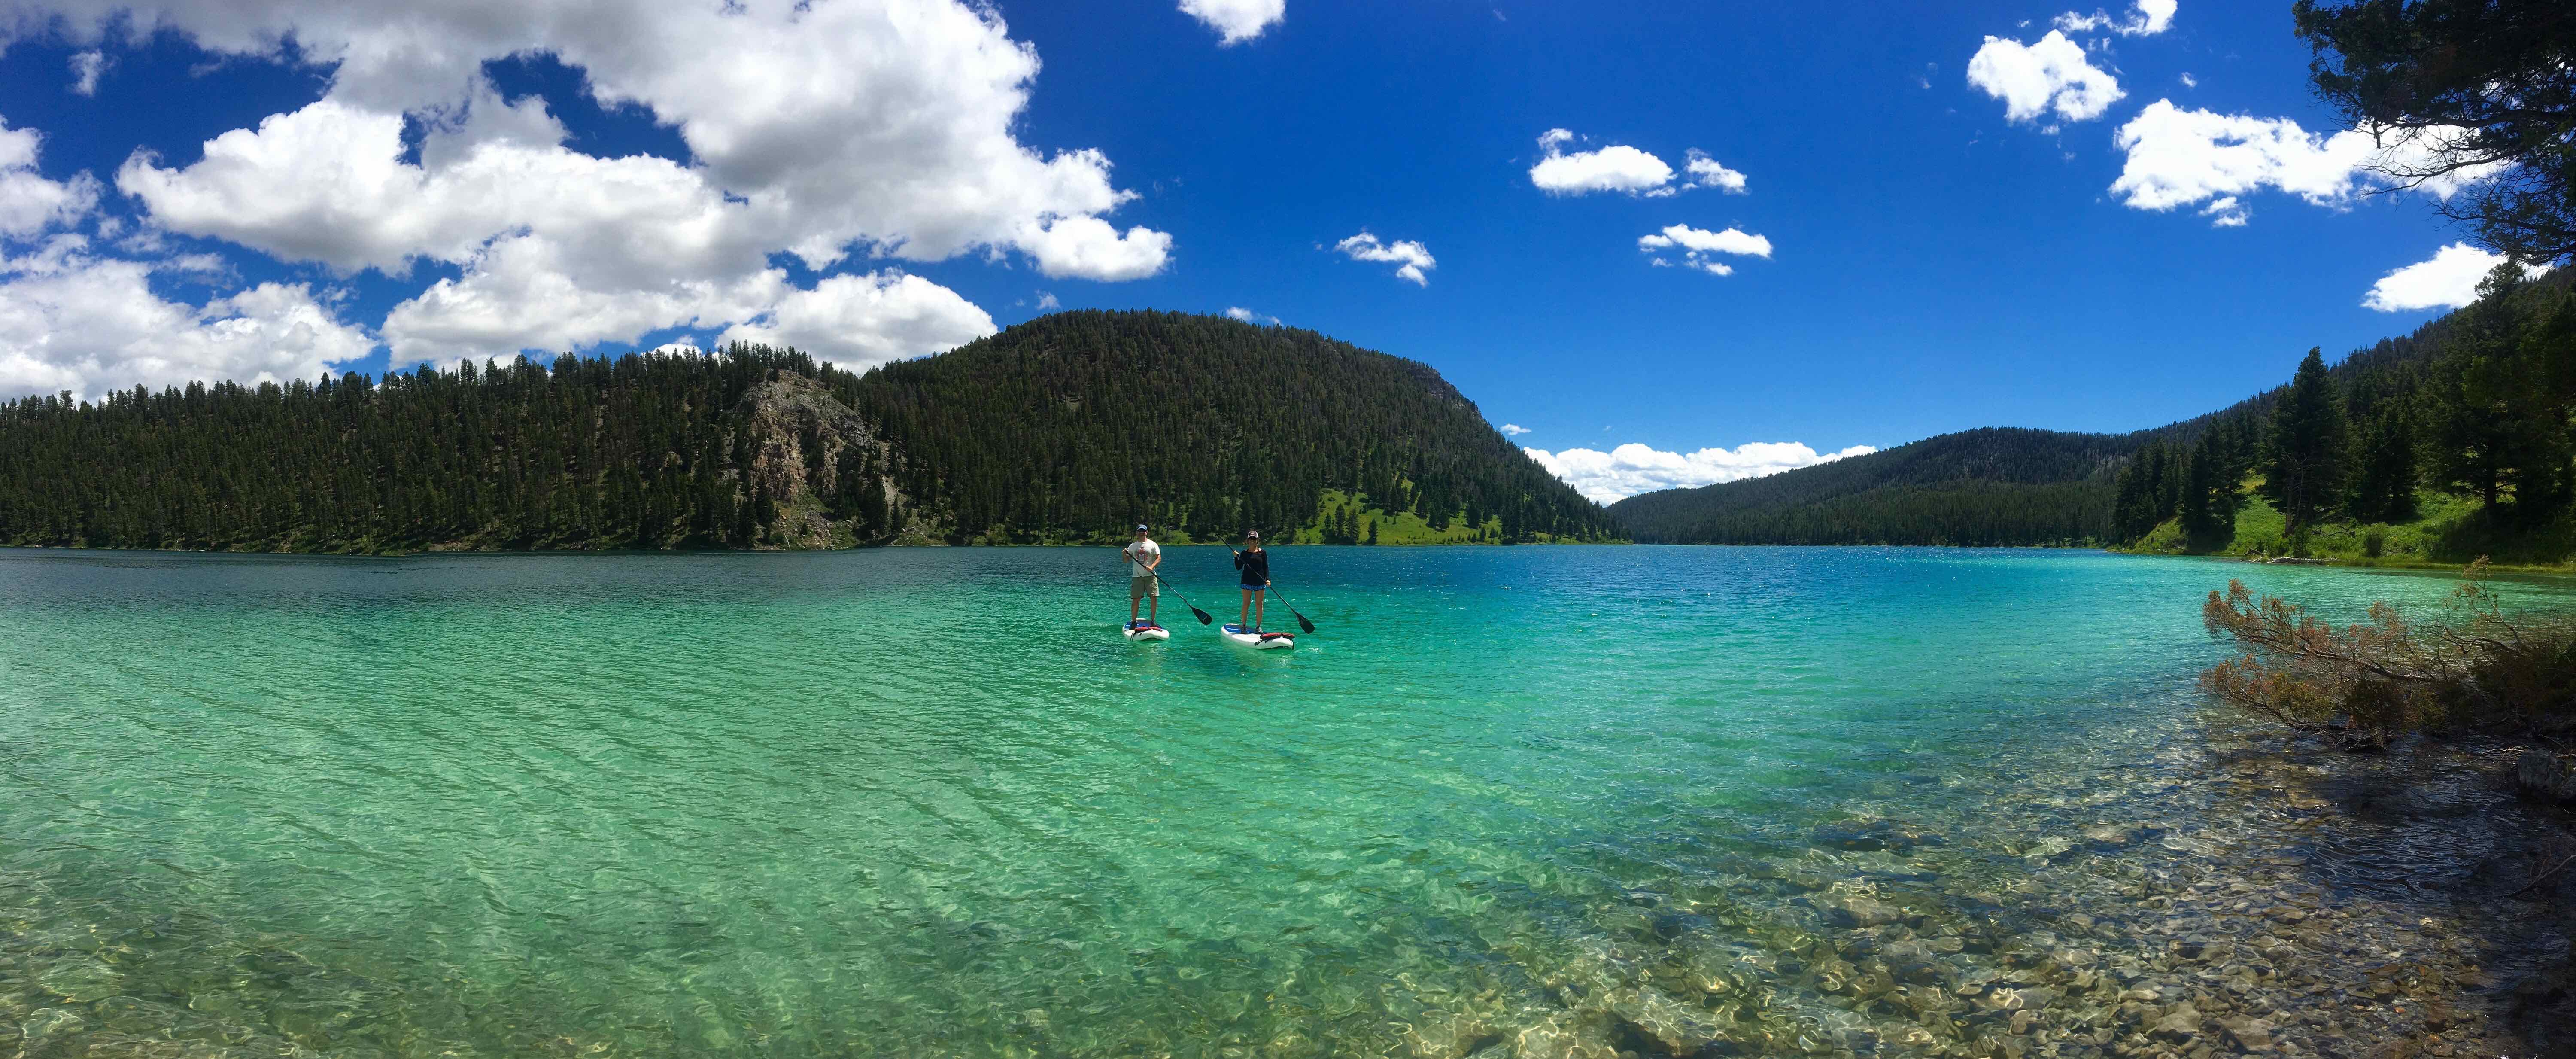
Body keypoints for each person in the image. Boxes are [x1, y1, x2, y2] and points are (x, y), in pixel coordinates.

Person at [1122, 523, 1162, 630]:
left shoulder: (1153, 544)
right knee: (1136, 599)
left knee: (1154, 598)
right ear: (1137, 533)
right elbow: (1126, 561)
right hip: (1137, 577)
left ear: (1146, 532)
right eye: (1139, 531)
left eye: (1143, 531)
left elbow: (1159, 558)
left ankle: (1153, 621)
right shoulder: (1132, 546)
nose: (1141, 533)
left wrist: (1151, 567)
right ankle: (1134, 622)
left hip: (1151, 576)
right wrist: (1124, 554)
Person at [1232, 530, 1270, 633]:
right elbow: (1238, 567)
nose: (1252, 541)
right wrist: (1236, 558)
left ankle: (1258, 628)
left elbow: (1266, 567)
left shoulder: (1263, 553)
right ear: (1247, 541)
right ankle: (1243, 626)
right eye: (1251, 539)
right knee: (1246, 603)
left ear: (1257, 541)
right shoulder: (1244, 554)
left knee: (1259, 604)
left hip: (1260, 583)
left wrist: (1268, 579)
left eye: (1254, 539)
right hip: (1247, 582)